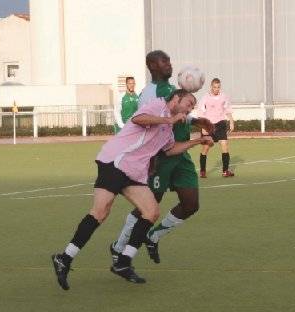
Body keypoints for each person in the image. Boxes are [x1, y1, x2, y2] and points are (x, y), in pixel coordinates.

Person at [51, 89, 214, 290]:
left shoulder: (167, 131)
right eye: (188, 104)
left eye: (192, 107)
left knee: (151, 212)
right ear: (175, 99)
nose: (190, 109)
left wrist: (198, 141)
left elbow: (170, 150)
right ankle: (64, 258)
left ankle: (123, 261)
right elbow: (139, 119)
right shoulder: (157, 105)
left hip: (134, 172)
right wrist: (169, 120)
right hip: (116, 162)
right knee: (100, 212)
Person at [110, 50, 215, 265]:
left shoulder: (173, 89)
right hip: (160, 155)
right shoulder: (149, 92)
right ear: (152, 66)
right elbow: (149, 119)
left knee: (191, 204)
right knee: (148, 206)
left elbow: (176, 114)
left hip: (180, 153)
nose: (169, 64)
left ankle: (153, 236)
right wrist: (149, 158)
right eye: (164, 61)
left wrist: (197, 121)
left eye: (169, 60)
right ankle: (118, 247)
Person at [197, 78, 235, 178]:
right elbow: (200, 112)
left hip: (221, 123)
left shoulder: (224, 96)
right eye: (214, 87)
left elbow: (227, 109)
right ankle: (202, 171)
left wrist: (231, 122)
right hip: (209, 125)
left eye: (218, 87)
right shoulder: (205, 97)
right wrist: (203, 127)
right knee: (206, 148)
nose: (216, 89)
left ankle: (225, 171)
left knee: (225, 145)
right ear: (211, 87)